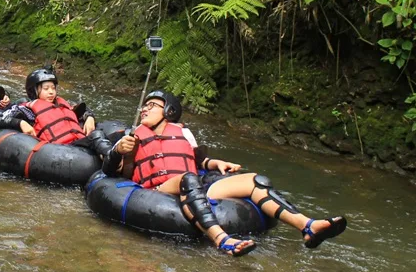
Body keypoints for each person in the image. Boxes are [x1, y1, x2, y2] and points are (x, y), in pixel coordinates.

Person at [103, 90, 348, 257]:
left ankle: (308, 226)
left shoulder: (184, 133)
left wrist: (215, 163)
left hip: (195, 183)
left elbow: (195, 160)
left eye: (151, 105)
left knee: (256, 181)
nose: (144, 109)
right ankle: (221, 239)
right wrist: (121, 152)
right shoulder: (132, 136)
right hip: (159, 189)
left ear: (168, 111)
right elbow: (116, 173)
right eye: (144, 106)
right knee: (189, 180)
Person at [0, 68, 113, 155]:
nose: (51, 92)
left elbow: (82, 110)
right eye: (46, 89)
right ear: (34, 91)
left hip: (78, 144)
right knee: (96, 137)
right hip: (58, 150)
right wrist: (20, 123)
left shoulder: (62, 104)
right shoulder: (26, 109)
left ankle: (113, 158)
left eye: (53, 88)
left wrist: (89, 117)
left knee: (99, 133)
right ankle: (111, 158)